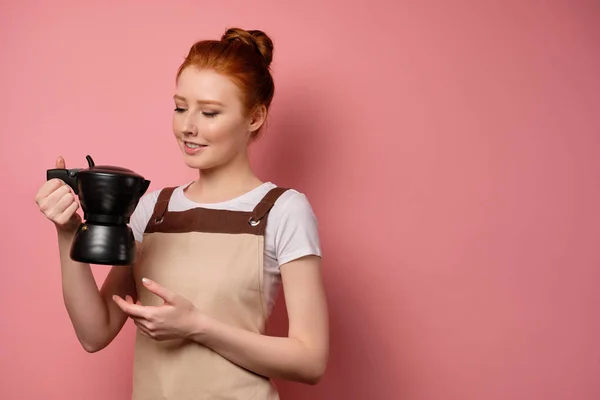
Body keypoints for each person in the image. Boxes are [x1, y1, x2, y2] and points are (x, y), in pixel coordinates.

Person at [34, 27, 329, 399]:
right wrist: (69, 231)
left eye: (209, 113)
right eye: (179, 107)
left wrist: (197, 327)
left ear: (254, 117)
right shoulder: (151, 210)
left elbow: (310, 360)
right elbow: (94, 333)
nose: (187, 127)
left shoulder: (282, 210)